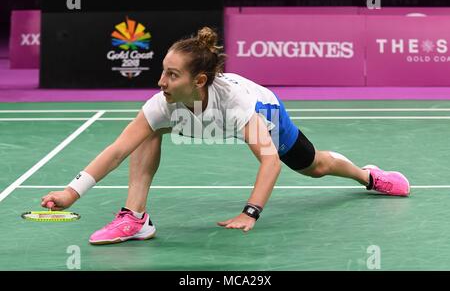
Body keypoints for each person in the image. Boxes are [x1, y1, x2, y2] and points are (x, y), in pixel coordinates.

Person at [41, 27, 410, 245]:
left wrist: (251, 212)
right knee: (145, 133)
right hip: (197, 116)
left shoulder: (238, 104)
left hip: (265, 111)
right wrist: (72, 192)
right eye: (162, 72)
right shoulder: (163, 102)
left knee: (313, 166)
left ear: (198, 80)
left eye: (172, 75)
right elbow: (118, 149)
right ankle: (136, 217)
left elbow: (268, 161)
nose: (161, 81)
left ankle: (369, 176)